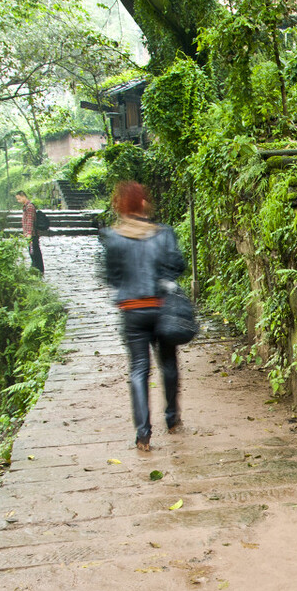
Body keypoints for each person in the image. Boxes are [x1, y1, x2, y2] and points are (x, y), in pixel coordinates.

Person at [98, 181, 186, 452]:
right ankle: (172, 419)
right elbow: (178, 265)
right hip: (162, 307)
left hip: (132, 310)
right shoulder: (164, 233)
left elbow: (110, 276)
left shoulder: (113, 237)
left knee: (138, 369)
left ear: (120, 206)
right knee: (168, 364)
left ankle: (143, 435)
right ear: (144, 203)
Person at [14, 190, 44, 274]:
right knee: (33, 251)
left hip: (32, 234)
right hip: (29, 233)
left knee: (34, 252)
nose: (18, 201)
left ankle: (37, 268)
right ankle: (36, 268)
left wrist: (29, 233)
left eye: (19, 199)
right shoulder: (26, 206)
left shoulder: (29, 207)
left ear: (23, 196)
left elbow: (30, 221)